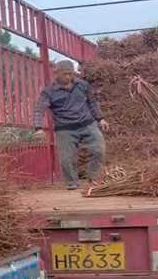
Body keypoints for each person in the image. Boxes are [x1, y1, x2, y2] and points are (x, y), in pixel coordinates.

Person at [34, 61, 109, 190]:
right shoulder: (48, 92)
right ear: (56, 73)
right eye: (65, 74)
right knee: (66, 157)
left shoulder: (82, 85)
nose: (68, 77)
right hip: (65, 128)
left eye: (71, 74)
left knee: (99, 149)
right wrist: (38, 128)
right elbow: (39, 110)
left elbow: (92, 103)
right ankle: (72, 183)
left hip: (87, 124)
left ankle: (94, 178)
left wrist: (100, 119)